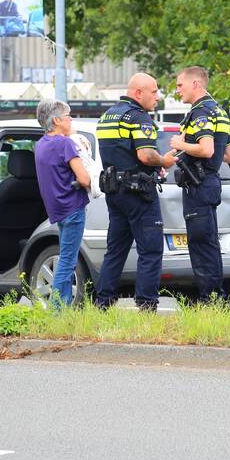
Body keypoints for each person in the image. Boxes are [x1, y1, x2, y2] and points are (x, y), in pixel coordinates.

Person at [94, 72, 176, 311]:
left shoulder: (108, 116)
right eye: (154, 91)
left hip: (115, 192)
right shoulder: (139, 118)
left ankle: (104, 302)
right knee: (150, 250)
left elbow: (120, 154)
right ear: (138, 93)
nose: (157, 97)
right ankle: (147, 304)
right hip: (138, 193)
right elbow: (146, 155)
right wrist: (164, 161)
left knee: (116, 250)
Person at [168, 66, 230, 304]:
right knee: (209, 242)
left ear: (196, 84)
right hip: (209, 181)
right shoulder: (219, 111)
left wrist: (180, 143)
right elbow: (229, 155)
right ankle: (216, 298)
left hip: (199, 183)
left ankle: (210, 300)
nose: (177, 91)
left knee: (200, 244)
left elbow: (207, 149)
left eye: (179, 85)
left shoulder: (201, 112)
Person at [33, 99, 90, 307]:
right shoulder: (66, 143)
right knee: (67, 260)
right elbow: (84, 179)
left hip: (57, 210)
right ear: (57, 120)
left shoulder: (40, 145)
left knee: (66, 257)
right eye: (68, 116)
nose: (71, 119)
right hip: (73, 207)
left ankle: (64, 306)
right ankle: (56, 308)